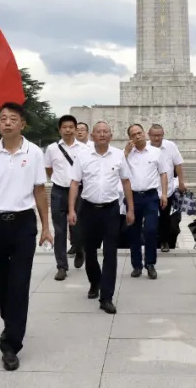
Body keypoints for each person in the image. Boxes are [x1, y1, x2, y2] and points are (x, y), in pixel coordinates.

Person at [0, 102, 54, 371]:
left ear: (22, 124)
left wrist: (46, 227)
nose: (7, 122)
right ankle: (11, 320)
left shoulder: (35, 153)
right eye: (3, 118)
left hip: (23, 224)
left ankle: (11, 344)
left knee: (19, 283)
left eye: (13, 118)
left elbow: (40, 191)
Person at [68, 121, 134, 314]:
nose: (102, 134)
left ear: (111, 136)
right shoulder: (83, 156)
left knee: (110, 253)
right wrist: (71, 209)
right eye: (99, 131)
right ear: (92, 136)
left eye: (106, 132)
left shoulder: (119, 155)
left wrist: (131, 209)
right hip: (88, 209)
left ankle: (107, 297)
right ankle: (95, 282)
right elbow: (74, 183)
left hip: (111, 210)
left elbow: (126, 182)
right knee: (89, 250)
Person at [124, 123, 170, 279]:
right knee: (133, 231)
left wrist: (164, 194)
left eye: (139, 133)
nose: (137, 136)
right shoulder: (127, 154)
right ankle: (136, 265)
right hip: (133, 196)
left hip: (151, 196)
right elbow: (119, 171)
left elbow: (163, 173)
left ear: (144, 133)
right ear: (130, 138)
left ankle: (150, 263)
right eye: (133, 135)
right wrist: (125, 153)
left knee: (151, 230)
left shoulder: (156, 152)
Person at [45, 114, 85, 279]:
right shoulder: (52, 148)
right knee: (60, 230)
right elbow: (49, 169)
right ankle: (61, 266)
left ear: (75, 129)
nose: (68, 130)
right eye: (64, 127)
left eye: (71, 127)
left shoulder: (84, 149)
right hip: (59, 192)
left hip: (79, 191)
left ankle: (79, 248)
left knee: (78, 226)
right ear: (59, 129)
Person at [146, 124, 185, 251]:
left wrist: (181, 182)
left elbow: (178, 164)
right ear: (149, 135)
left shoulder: (170, 146)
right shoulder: (145, 147)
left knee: (165, 216)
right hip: (150, 188)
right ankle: (150, 242)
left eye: (160, 135)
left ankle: (164, 241)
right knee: (150, 217)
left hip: (167, 189)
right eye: (154, 135)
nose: (157, 138)